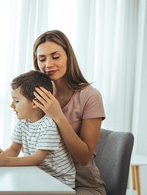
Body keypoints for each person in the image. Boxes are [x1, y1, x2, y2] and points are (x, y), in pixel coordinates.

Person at [32, 30, 106, 194]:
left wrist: (57, 115)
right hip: (43, 182)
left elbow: (84, 157)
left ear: (68, 57)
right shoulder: (38, 96)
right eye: (42, 59)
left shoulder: (90, 96)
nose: (48, 64)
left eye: (55, 56)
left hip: (82, 185)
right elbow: (31, 143)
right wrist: (5, 157)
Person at [0, 70, 76, 188]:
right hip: (39, 176)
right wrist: (0, 156)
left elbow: (37, 158)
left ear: (36, 102)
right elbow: (14, 149)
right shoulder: (22, 123)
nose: (12, 105)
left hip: (60, 181)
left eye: (17, 101)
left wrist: (6, 161)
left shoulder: (48, 125)